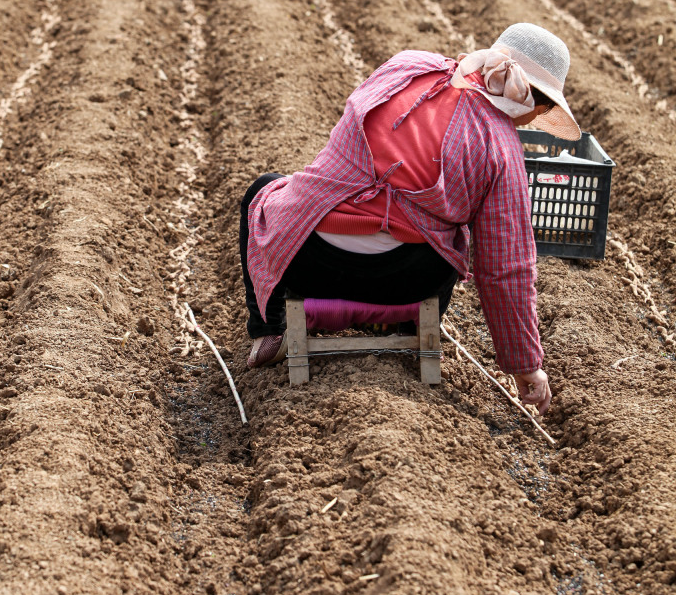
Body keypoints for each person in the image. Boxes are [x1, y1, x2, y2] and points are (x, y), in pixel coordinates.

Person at [240, 23, 582, 415]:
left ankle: (268, 330)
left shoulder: (408, 67)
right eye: (547, 108)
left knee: (262, 190)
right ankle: (406, 327)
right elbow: (505, 268)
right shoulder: (502, 146)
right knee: (456, 237)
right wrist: (525, 366)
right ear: (533, 101)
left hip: (307, 260)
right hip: (403, 283)